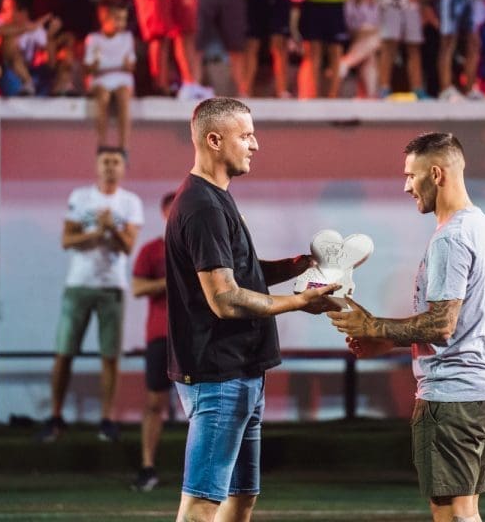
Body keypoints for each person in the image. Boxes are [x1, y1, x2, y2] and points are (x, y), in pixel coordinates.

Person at [165, 97, 339, 522]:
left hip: (240, 372)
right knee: (202, 505)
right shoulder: (203, 206)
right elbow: (225, 298)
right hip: (220, 375)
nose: (255, 145)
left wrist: (294, 266)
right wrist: (298, 302)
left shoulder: (214, 198)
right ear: (214, 140)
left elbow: (239, 271)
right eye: (245, 136)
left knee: (241, 498)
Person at [327, 132, 485, 522]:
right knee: (463, 510)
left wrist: (374, 325)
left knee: (452, 513)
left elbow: (442, 324)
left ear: (436, 174)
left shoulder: (451, 238)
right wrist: (385, 340)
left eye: (411, 175)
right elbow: (459, 324)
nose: (406, 186)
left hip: (454, 396)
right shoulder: (482, 226)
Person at [37, 147, 144, 443]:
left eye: (115, 162)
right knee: (64, 352)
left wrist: (113, 229)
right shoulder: (80, 196)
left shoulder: (130, 202)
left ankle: (107, 419)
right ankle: (55, 416)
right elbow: (67, 239)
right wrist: (98, 232)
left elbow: (127, 246)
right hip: (79, 284)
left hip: (112, 286)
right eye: (105, 161)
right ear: (96, 166)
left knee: (110, 356)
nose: (110, 166)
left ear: (123, 168)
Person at [130, 191, 174, 492]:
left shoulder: (203, 249)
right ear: (164, 214)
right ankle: (147, 467)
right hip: (161, 335)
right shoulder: (151, 250)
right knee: (154, 402)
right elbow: (137, 287)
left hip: (197, 336)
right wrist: (169, 281)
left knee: (206, 404)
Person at [0, 0, 63, 97]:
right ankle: (27, 82)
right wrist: (27, 28)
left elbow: (51, 63)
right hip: (6, 70)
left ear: (23, 12)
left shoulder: (36, 29)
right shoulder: (0, 21)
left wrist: (50, 37)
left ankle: (59, 88)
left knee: (60, 51)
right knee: (10, 41)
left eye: (8, 9)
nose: (4, 13)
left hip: (29, 70)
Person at [84, 0, 136, 150]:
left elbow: (130, 66)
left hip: (122, 79)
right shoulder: (94, 39)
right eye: (117, 19)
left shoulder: (127, 38)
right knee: (103, 98)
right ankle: (102, 143)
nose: (121, 23)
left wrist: (120, 66)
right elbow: (89, 67)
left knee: (123, 98)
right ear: (104, 18)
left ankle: (123, 145)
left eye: (123, 19)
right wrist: (98, 66)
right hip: (101, 80)